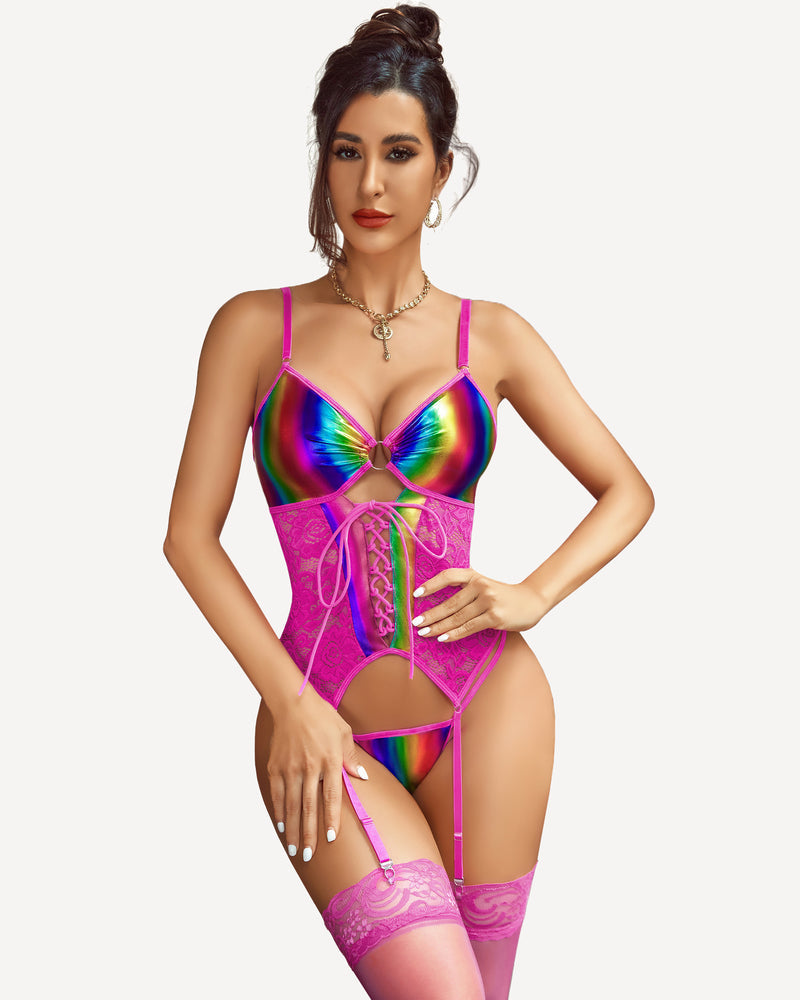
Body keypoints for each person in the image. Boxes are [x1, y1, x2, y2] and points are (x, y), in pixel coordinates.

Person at [163, 5, 654, 998]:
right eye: (347, 152)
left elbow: (626, 490)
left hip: (490, 706)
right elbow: (189, 539)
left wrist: (533, 594)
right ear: (322, 164)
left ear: (441, 169)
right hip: (319, 712)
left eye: (398, 153)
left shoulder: (494, 335)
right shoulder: (254, 328)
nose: (371, 185)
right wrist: (289, 704)